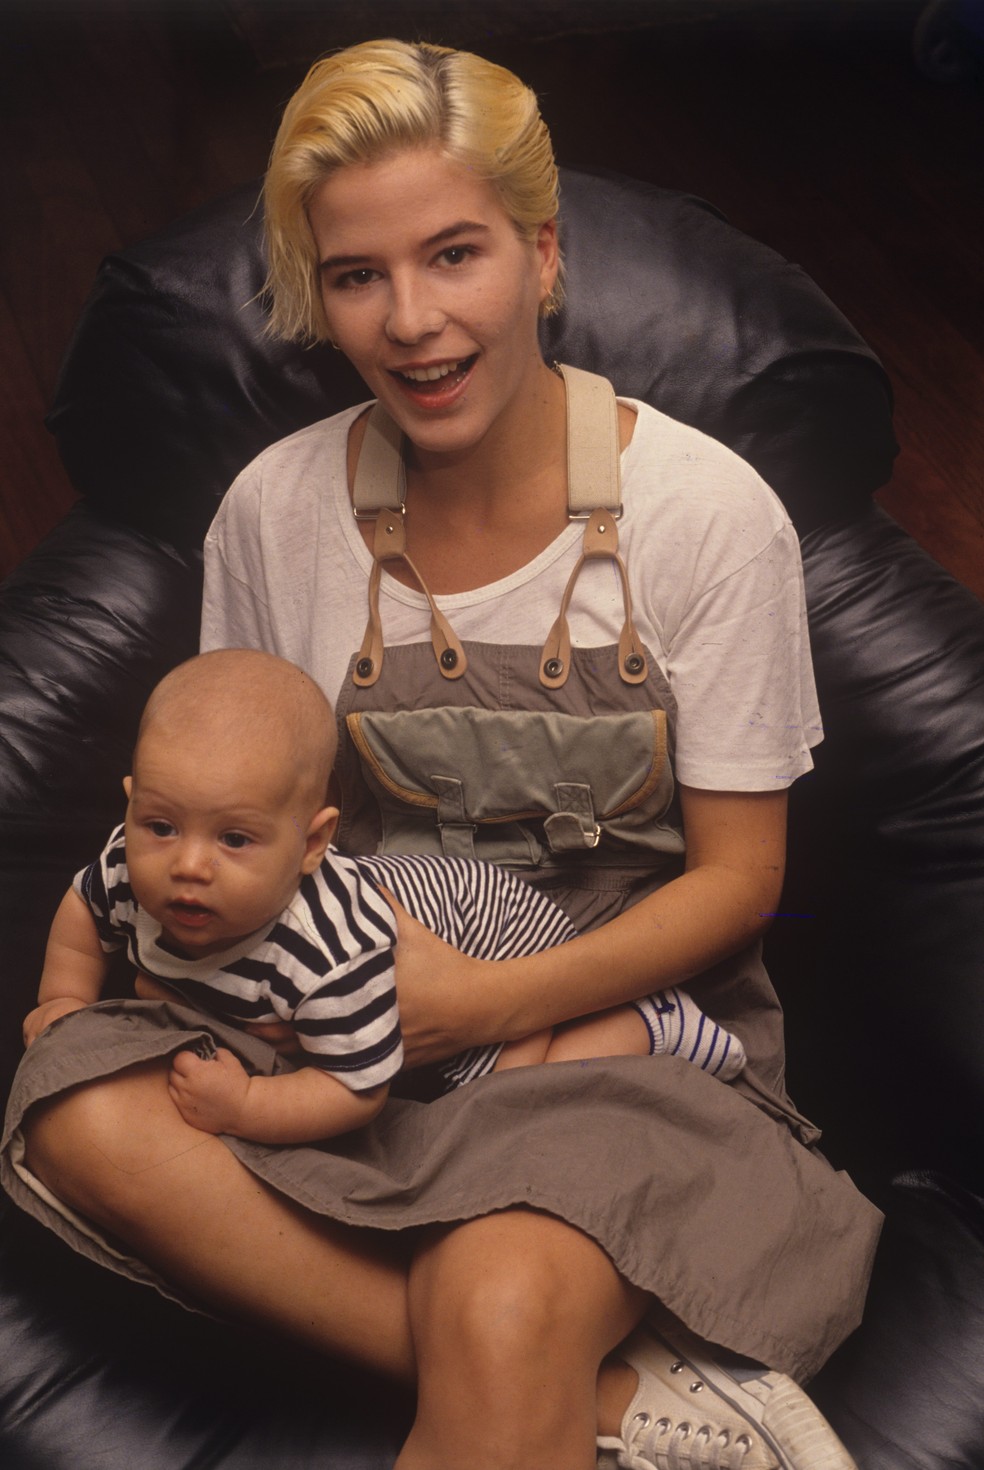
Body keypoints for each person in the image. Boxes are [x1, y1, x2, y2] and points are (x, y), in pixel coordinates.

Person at [1, 38, 882, 1470]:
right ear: (319, 293)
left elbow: (741, 885)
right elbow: (233, 821)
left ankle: (528, 1341)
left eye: (456, 254)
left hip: (613, 1034)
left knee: (503, 1288)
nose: (411, 320)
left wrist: (486, 1007)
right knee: (73, 1119)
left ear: (542, 255)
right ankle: (631, 1404)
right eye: (358, 275)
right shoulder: (274, 513)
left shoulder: (709, 516)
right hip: (337, 1014)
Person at [22, 648, 745, 1146]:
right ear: (132, 809)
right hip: (426, 893)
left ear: (311, 846)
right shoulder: (130, 862)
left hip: (493, 937)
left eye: (234, 840)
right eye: (160, 825)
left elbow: (355, 1089)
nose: (187, 865)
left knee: (499, 1106)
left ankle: (653, 1029)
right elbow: (83, 913)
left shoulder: (328, 955)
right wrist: (63, 997)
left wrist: (247, 1107)